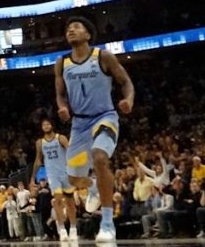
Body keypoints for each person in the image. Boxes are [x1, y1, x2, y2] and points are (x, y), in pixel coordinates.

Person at [55, 16, 135, 243]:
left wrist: (128, 100)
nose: (71, 30)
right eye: (68, 28)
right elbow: (60, 94)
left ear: (88, 35)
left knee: (99, 157)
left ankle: (108, 223)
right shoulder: (61, 62)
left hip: (104, 117)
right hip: (79, 124)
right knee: (72, 179)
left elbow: (126, 82)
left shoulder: (103, 57)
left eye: (76, 27)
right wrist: (62, 108)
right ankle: (92, 187)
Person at [29, 119, 77, 241]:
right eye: (43, 124)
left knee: (70, 202)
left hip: (66, 172)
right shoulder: (40, 143)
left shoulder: (60, 138)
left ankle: (73, 229)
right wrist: (32, 178)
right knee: (58, 200)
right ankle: (62, 230)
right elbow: (38, 160)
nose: (46, 126)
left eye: (48, 124)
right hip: (52, 175)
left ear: (52, 125)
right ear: (41, 127)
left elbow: (71, 152)